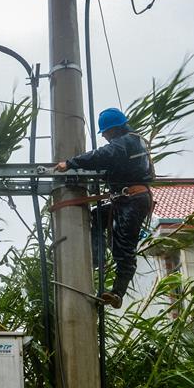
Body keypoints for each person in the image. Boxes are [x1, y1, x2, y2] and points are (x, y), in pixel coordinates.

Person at [54, 107, 154, 308]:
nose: (106, 137)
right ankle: (96, 258)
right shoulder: (133, 143)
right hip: (127, 199)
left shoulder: (126, 142)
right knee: (98, 216)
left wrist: (71, 162)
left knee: (124, 248)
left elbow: (103, 155)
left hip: (133, 200)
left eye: (106, 133)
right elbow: (109, 161)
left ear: (115, 129)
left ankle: (117, 293)